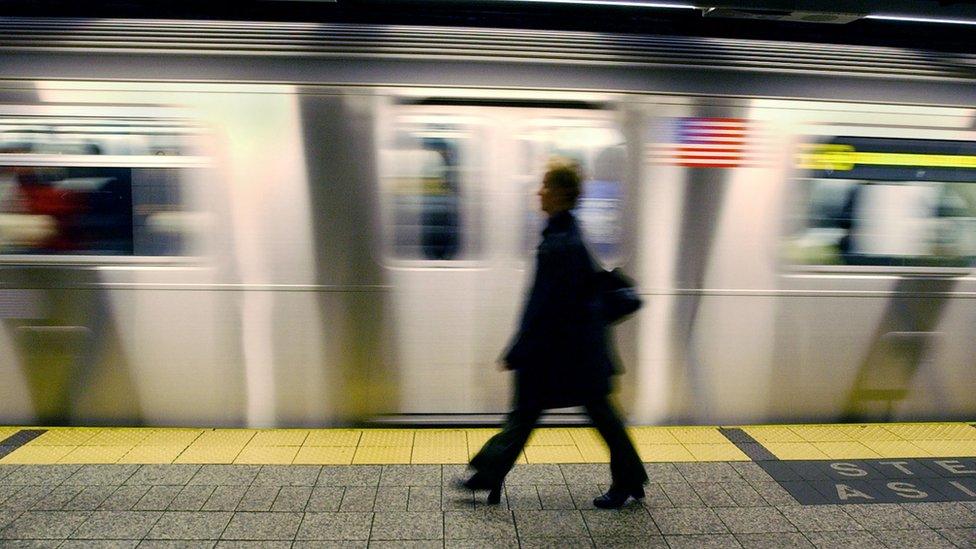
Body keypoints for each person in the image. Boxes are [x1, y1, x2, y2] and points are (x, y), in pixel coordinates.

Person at [461, 158, 647, 509]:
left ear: (561, 193)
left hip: (567, 352)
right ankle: (629, 478)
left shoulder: (560, 244)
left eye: (546, 186)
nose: (539, 192)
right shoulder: (566, 234)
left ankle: (489, 472)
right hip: (578, 350)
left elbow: (543, 306)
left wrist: (518, 349)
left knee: (536, 412)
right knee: (591, 416)